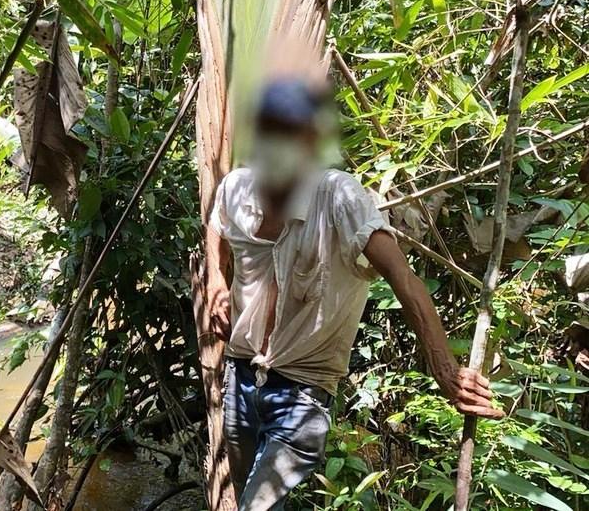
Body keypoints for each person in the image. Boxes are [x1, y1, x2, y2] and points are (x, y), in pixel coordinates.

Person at [207, 77, 504, 510]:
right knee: (253, 497)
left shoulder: (339, 198)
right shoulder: (237, 189)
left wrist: (446, 370)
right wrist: (216, 279)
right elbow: (215, 227)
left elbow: (403, 276)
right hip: (240, 380)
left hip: (303, 391)